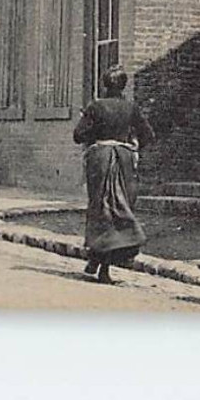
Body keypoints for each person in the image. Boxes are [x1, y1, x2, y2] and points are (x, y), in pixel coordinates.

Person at [72, 65, 155, 284]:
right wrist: (133, 146)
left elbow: (78, 135)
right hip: (124, 160)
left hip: (99, 161)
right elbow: (148, 135)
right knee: (120, 209)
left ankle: (96, 257)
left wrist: (94, 133)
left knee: (100, 208)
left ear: (104, 84)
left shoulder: (96, 107)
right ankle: (103, 264)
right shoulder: (131, 108)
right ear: (124, 86)